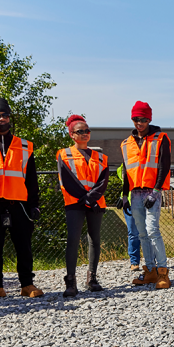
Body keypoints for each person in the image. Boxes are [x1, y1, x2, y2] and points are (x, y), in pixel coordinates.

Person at [0, 97, 43, 299]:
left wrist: (34, 205)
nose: (2, 118)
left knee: (24, 246)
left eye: (5, 115)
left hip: (19, 203)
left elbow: (31, 179)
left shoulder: (25, 146)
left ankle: (27, 284)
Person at [121, 101, 173, 289]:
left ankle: (163, 272)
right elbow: (127, 170)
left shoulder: (161, 138)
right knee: (142, 233)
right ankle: (150, 271)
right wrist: (124, 195)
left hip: (153, 191)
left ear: (149, 119)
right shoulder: (126, 143)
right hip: (135, 193)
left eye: (143, 119)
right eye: (136, 119)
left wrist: (156, 191)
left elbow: (164, 166)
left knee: (152, 230)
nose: (139, 123)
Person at [56, 115, 109, 296]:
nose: (85, 133)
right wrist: (85, 199)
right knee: (73, 239)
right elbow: (67, 180)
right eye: (80, 131)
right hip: (75, 203)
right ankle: (71, 281)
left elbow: (103, 182)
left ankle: (92, 278)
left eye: (87, 130)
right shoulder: (63, 154)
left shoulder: (101, 157)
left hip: (95, 203)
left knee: (95, 239)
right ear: (72, 134)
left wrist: (91, 199)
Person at [115, 164, 143, 271]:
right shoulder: (124, 165)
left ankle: (152, 260)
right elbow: (125, 179)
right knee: (133, 233)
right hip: (130, 202)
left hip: (143, 201)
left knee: (148, 232)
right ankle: (134, 261)